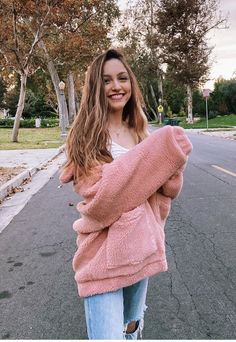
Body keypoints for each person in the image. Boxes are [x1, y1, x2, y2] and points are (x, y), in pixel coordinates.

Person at [60, 49, 192, 340]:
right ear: (96, 87)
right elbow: (102, 201)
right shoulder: (85, 137)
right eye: (106, 80)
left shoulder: (141, 133)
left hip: (139, 251)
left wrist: (170, 166)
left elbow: (164, 193)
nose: (116, 86)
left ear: (131, 83)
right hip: (101, 259)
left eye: (122, 78)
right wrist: (156, 157)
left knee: (130, 332)